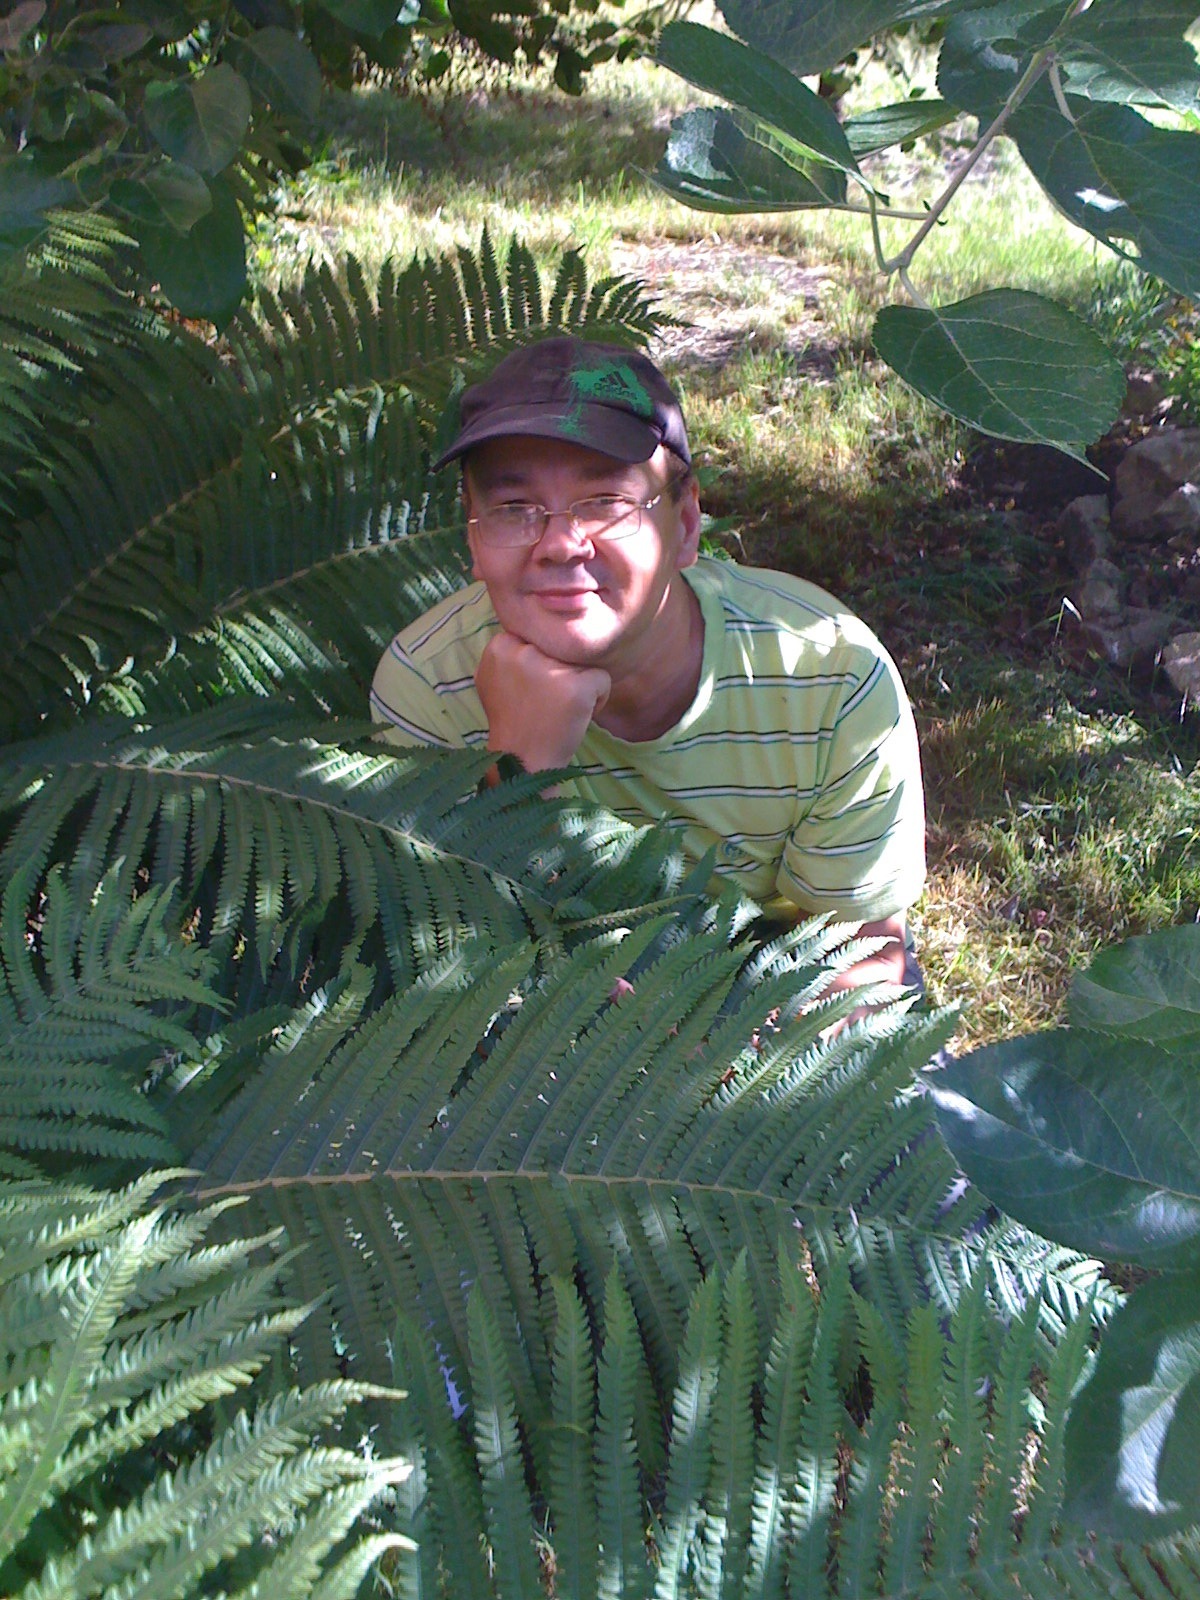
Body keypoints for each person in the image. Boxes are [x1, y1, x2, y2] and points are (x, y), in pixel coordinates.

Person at [371, 336, 926, 1002]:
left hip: (775, 975)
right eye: (514, 509)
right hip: (555, 980)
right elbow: (445, 946)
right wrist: (518, 774)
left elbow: (864, 949)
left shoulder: (831, 678)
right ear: (472, 535)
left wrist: (738, 1043)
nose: (561, 544)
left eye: (605, 501)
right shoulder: (426, 685)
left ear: (686, 523)